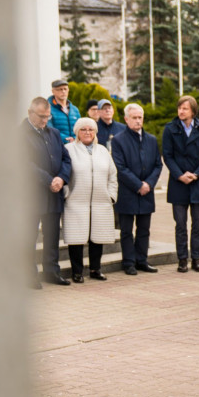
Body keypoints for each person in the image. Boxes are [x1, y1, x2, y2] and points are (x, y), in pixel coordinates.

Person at [62, 118, 118, 283]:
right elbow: (63, 172)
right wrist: (67, 194)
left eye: (91, 129)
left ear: (95, 132)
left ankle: (95, 269)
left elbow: (112, 176)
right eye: (83, 129)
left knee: (97, 238)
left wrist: (111, 195)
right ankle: (77, 272)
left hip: (101, 201)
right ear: (77, 132)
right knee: (76, 239)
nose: (87, 132)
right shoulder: (69, 149)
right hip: (76, 202)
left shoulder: (102, 151)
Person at [163, 95, 199, 273]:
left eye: (185, 108)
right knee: (180, 225)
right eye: (179, 108)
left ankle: (196, 259)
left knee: (198, 225)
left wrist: (196, 174)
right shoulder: (170, 129)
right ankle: (182, 259)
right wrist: (179, 175)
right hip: (178, 184)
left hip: (197, 183)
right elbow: (167, 156)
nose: (181, 111)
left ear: (193, 111)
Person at [25, 96, 72, 287]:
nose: (45, 120)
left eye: (47, 116)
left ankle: (51, 272)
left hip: (54, 194)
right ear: (30, 113)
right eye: (41, 116)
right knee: (28, 237)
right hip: (32, 195)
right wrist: (48, 180)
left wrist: (61, 178)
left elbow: (66, 159)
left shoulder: (53, 133)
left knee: (52, 236)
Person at [111, 103, 162, 275]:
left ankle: (142, 260)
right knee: (126, 231)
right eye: (134, 117)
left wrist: (148, 184)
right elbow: (120, 167)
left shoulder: (152, 140)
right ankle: (129, 262)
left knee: (144, 229)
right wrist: (138, 185)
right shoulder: (118, 140)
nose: (138, 120)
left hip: (147, 192)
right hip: (127, 192)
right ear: (126, 119)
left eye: (140, 117)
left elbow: (157, 164)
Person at [47, 79, 80, 143]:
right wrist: (66, 139)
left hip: (75, 145)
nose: (63, 91)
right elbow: (49, 129)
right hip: (58, 145)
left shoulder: (75, 110)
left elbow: (80, 128)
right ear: (53, 91)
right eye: (60, 89)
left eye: (65, 89)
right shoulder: (48, 109)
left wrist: (75, 139)